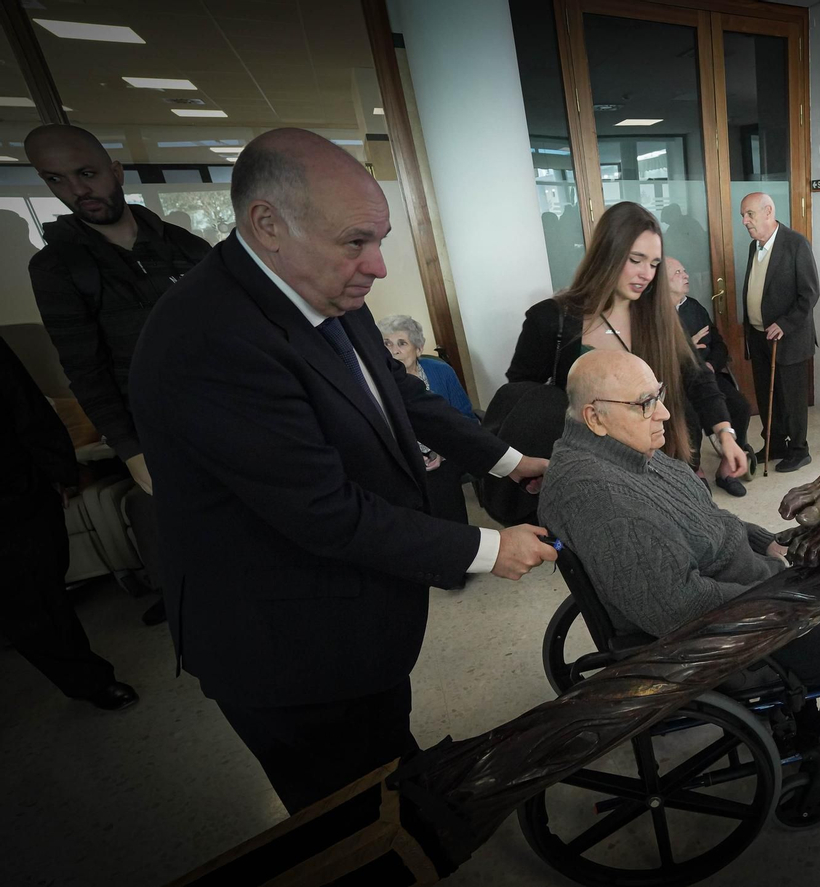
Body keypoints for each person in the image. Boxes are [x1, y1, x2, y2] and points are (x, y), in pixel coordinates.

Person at [128, 128, 557, 814]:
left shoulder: (325, 291)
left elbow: (401, 396)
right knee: (344, 810)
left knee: (386, 764)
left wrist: (505, 457)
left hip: (355, 614)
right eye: (356, 241)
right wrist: (486, 547)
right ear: (267, 223)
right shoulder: (209, 340)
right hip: (285, 644)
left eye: (379, 239)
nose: (378, 266)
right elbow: (325, 510)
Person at [540, 349, 820, 793]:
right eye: (645, 403)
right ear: (595, 417)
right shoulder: (603, 498)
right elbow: (676, 609)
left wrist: (767, 542)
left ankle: (803, 704)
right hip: (713, 637)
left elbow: (709, 521)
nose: (665, 412)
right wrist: (782, 593)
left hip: (743, 589)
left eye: (660, 396)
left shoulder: (626, 452)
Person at [24, 124, 213, 628]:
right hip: (158, 431)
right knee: (197, 553)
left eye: (86, 173)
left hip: (226, 414)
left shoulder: (185, 247)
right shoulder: (57, 269)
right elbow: (83, 369)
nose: (77, 190)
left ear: (115, 171)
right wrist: (130, 449)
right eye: (57, 180)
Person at [507, 203, 747, 486]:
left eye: (654, 264)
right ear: (607, 253)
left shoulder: (660, 317)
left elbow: (698, 377)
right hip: (588, 470)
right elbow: (522, 396)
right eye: (636, 260)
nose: (647, 274)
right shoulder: (551, 318)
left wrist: (725, 434)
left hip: (657, 461)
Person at [1, 337, 137, 711]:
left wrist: (58, 471)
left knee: (43, 590)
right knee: (25, 608)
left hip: (15, 490)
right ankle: (87, 679)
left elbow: (24, 402)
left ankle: (84, 676)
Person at [738, 191, 819, 472]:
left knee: (792, 398)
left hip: (789, 337)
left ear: (768, 211)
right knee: (767, 395)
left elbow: (809, 295)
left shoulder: (795, 244)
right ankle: (774, 444)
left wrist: (784, 324)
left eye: (750, 214)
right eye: (743, 216)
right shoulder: (754, 246)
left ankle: (799, 449)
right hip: (759, 336)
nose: (745, 221)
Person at [663, 255, 751, 497]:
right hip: (675, 381)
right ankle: (695, 470)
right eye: (678, 273)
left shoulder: (694, 308)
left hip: (707, 374)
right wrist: (687, 348)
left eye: (684, 271)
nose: (686, 276)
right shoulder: (656, 316)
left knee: (740, 406)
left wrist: (712, 364)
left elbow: (719, 344)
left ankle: (726, 469)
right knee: (689, 415)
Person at [378, 314, 477, 526]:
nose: (393, 351)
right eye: (386, 344)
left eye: (401, 343)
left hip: (445, 456)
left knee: (440, 485)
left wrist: (442, 451)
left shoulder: (442, 372)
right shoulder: (377, 382)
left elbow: (466, 418)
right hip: (401, 461)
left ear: (419, 348)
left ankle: (456, 543)